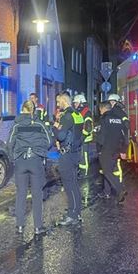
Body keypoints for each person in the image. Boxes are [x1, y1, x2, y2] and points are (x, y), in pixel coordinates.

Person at [8, 100, 54, 235]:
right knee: (37, 194)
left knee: (21, 193)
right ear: (33, 110)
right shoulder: (39, 123)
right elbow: (50, 141)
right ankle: (38, 227)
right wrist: (40, 150)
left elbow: (10, 143)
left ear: (22, 109)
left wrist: (14, 158)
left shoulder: (16, 124)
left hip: (21, 161)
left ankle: (20, 226)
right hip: (36, 161)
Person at [52, 92, 84, 226]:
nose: (58, 105)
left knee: (69, 184)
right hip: (76, 153)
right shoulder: (78, 115)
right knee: (74, 183)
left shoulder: (66, 116)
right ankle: (76, 211)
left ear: (64, 101)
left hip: (67, 154)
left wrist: (55, 127)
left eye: (58, 102)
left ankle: (72, 215)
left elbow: (61, 136)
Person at [95, 94, 129, 204]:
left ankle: (120, 189)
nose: (100, 111)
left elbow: (101, 136)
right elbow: (124, 135)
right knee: (111, 170)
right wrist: (123, 149)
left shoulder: (104, 119)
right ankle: (107, 191)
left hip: (106, 150)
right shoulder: (118, 119)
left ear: (103, 109)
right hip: (116, 149)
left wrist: (99, 150)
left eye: (100, 109)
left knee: (107, 171)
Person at [73, 94, 94, 179]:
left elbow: (88, 127)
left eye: (76, 103)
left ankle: (84, 173)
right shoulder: (81, 111)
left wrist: (83, 136)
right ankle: (80, 171)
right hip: (81, 137)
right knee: (81, 156)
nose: (74, 104)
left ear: (81, 103)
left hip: (85, 138)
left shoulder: (86, 112)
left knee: (84, 156)